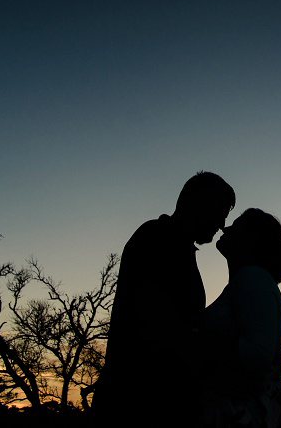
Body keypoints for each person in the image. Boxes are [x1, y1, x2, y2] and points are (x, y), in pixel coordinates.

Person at [92, 171, 236, 425]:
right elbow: (158, 315)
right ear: (198, 202)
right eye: (220, 213)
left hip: (161, 400)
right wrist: (214, 370)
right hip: (137, 401)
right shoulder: (156, 237)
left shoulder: (177, 246)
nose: (222, 223)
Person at [200, 208, 281, 428]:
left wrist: (196, 338)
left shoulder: (252, 278)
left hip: (243, 416)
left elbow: (257, 354)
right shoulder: (249, 281)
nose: (225, 227)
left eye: (237, 225)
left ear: (253, 239)